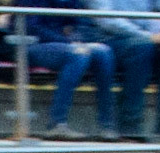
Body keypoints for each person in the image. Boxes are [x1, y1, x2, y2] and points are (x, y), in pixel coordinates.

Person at [87, 0, 160, 139]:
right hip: (108, 39)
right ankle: (130, 125)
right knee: (142, 48)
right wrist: (148, 36)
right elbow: (106, 19)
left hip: (145, 39)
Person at [23, 0, 119, 140]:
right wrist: (69, 42)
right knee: (78, 54)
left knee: (104, 52)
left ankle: (107, 126)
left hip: (64, 44)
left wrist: (77, 40)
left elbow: (79, 21)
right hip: (32, 43)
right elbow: (32, 27)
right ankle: (57, 123)